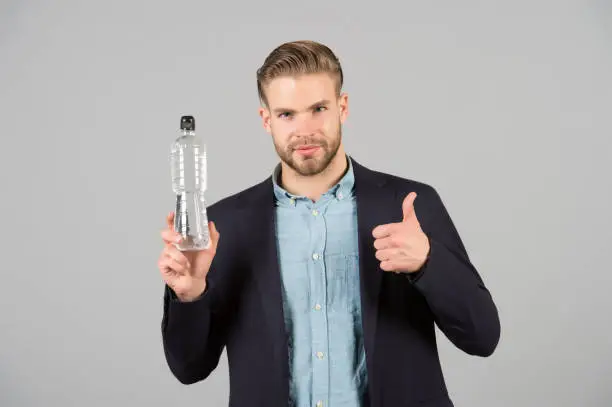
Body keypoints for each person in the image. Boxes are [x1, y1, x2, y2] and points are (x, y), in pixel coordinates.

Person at [158, 40, 500, 407]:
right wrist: (190, 294)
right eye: (287, 114)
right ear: (266, 120)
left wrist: (428, 263)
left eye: (318, 109)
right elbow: (188, 368)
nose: (304, 131)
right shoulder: (224, 226)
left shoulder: (408, 207)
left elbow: (482, 337)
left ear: (342, 107)